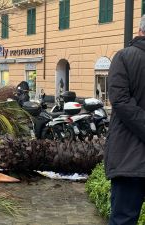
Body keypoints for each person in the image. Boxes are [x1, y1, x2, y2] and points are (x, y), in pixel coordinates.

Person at [105, 15, 145, 225]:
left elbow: (120, 102)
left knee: (123, 219)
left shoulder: (124, 57)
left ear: (140, 31)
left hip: (128, 158)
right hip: (130, 161)